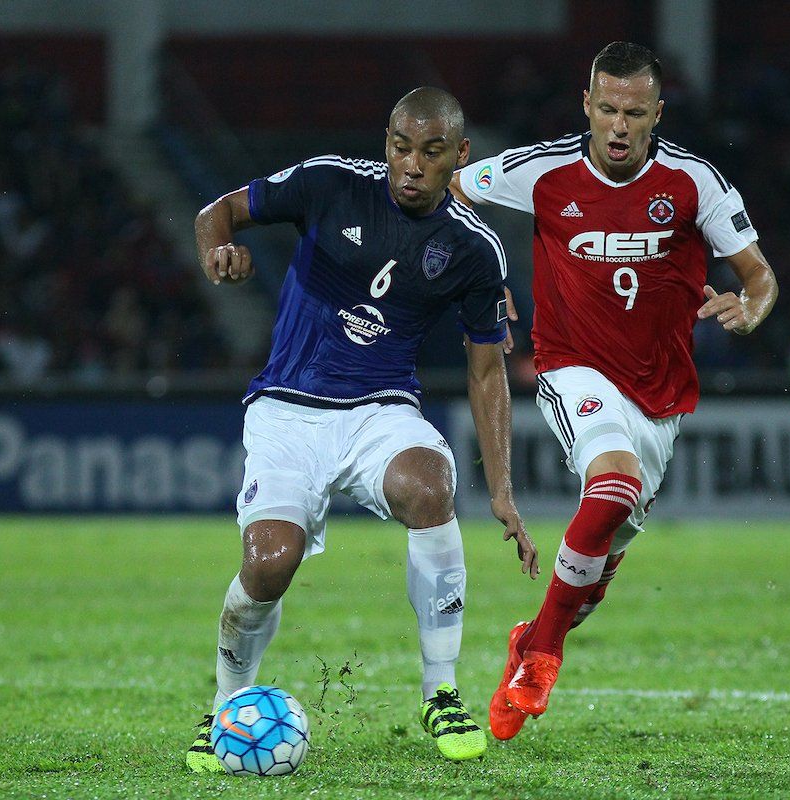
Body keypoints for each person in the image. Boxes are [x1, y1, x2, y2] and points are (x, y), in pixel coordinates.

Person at [186, 87, 537, 771]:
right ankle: (226, 705)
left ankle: (442, 692)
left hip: (380, 409)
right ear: (387, 143)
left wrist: (502, 491)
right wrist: (217, 249)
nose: (412, 165)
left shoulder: (473, 248)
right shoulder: (330, 184)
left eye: (431, 153)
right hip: (286, 408)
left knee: (429, 486)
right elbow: (216, 212)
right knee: (270, 561)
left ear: (460, 156)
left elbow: (487, 371)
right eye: (401, 147)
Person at [450, 42, 778, 739]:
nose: (619, 126)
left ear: (657, 114)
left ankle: (531, 636)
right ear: (587, 106)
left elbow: (759, 277)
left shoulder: (694, 183)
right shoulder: (542, 170)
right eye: (607, 110)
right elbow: (454, 192)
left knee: (595, 572)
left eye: (634, 113)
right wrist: (483, 279)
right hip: (572, 366)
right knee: (613, 488)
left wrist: (751, 309)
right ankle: (541, 658)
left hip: (660, 392)